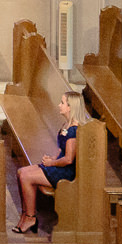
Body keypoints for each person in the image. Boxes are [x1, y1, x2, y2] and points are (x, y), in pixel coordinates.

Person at [14, 91, 79, 234]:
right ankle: (25, 214)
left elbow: (69, 159)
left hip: (66, 172)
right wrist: (52, 159)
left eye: (62, 103)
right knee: (21, 172)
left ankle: (31, 218)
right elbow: (62, 150)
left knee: (26, 177)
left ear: (70, 107)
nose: (59, 105)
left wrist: (51, 164)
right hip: (59, 165)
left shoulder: (74, 130)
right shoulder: (66, 125)